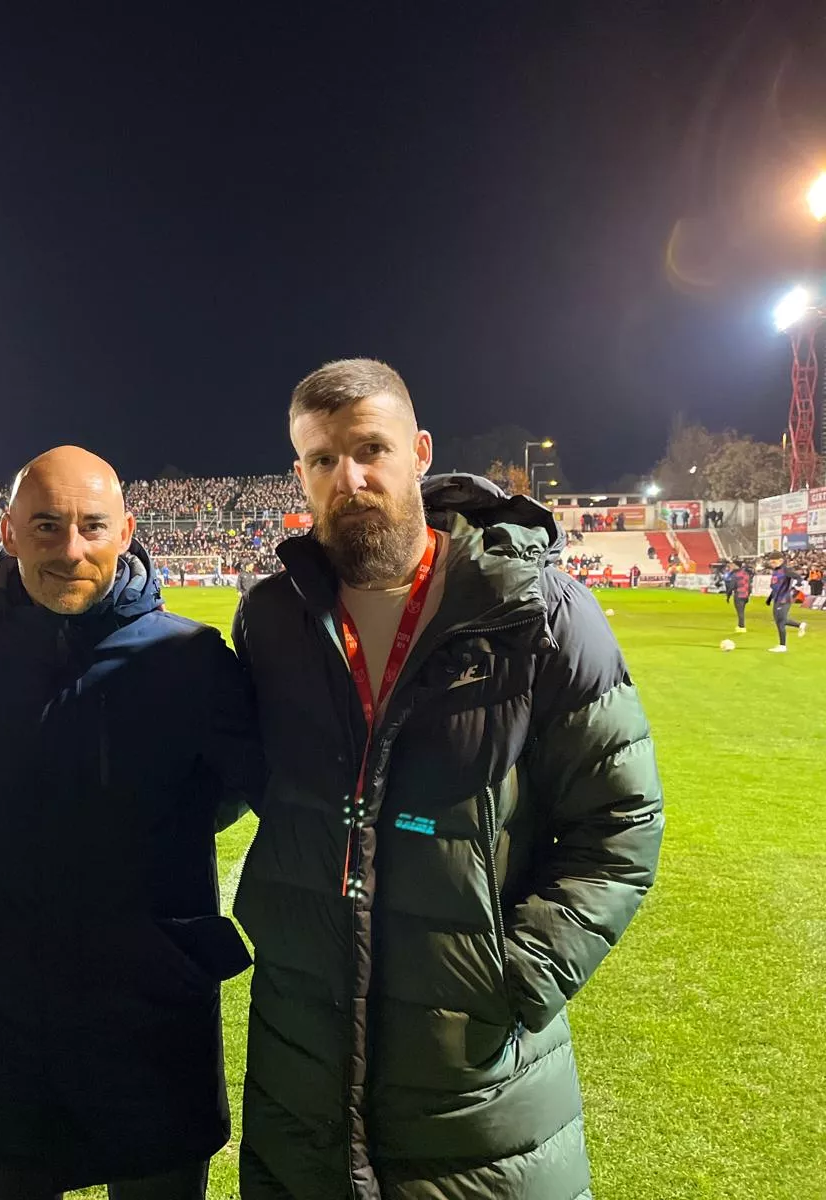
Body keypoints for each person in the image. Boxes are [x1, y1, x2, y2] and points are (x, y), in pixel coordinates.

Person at [232, 359, 663, 1199]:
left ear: (419, 451)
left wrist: (520, 974)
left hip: (474, 1073)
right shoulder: (273, 619)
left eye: (370, 449)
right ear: (299, 474)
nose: (348, 478)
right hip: (302, 1057)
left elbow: (621, 817)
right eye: (322, 460)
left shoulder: (537, 609)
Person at [0, 447, 261, 1200]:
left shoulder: (193, 661)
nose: (71, 549)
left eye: (92, 526)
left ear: (126, 530)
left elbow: (263, 792)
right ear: (9, 532)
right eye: (48, 526)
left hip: (154, 1016)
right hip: (1, 1019)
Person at [765, 558, 806, 653]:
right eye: (771, 562)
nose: (772, 563)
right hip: (777, 599)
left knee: (781, 622)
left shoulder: (785, 570)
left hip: (784, 599)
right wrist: (769, 598)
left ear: (780, 560)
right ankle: (800, 625)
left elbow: (797, 577)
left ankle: (782, 646)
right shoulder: (775, 572)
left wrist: (799, 583)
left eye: (774, 561)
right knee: (779, 621)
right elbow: (776, 588)